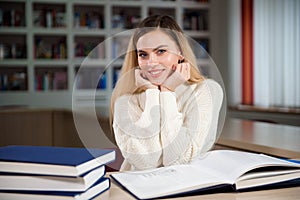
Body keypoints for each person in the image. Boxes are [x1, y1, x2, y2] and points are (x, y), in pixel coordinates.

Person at [110, 15, 223, 171]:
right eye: (143, 54)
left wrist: (167, 92)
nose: (151, 63)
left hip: (187, 191)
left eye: (161, 51)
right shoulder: (125, 101)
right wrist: (152, 93)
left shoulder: (207, 91)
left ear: (180, 52)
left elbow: (178, 159)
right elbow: (146, 162)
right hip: (138, 191)